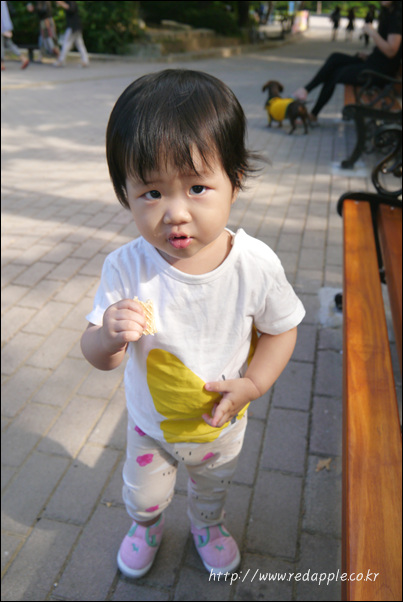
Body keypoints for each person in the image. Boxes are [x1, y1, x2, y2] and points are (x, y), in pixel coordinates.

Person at [81, 69, 305, 579]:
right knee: (143, 495)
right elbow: (98, 356)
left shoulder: (255, 265)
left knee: (213, 489)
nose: (175, 213)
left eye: (198, 187)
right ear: (125, 193)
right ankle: (145, 526)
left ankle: (208, 526)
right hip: (151, 425)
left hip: (219, 422)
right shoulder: (126, 267)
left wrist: (254, 384)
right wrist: (108, 337)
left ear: (235, 182)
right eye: (151, 193)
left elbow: (282, 327)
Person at [294, 1, 402, 123]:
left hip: (379, 72)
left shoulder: (397, 17)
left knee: (336, 73)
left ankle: (313, 112)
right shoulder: (389, 13)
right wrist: (369, 55)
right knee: (335, 58)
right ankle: (306, 91)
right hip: (373, 63)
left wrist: (372, 33)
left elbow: (391, 51)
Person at [54, 0, 89, 68]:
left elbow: (71, 9)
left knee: (66, 43)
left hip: (73, 26)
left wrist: (62, 4)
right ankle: (85, 60)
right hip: (76, 26)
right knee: (80, 44)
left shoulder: (71, 2)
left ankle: (61, 60)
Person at [1, 0, 29, 70]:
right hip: (5, 26)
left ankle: (1, 64)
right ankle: (23, 58)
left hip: (2, 26)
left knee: (3, 45)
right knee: (9, 44)